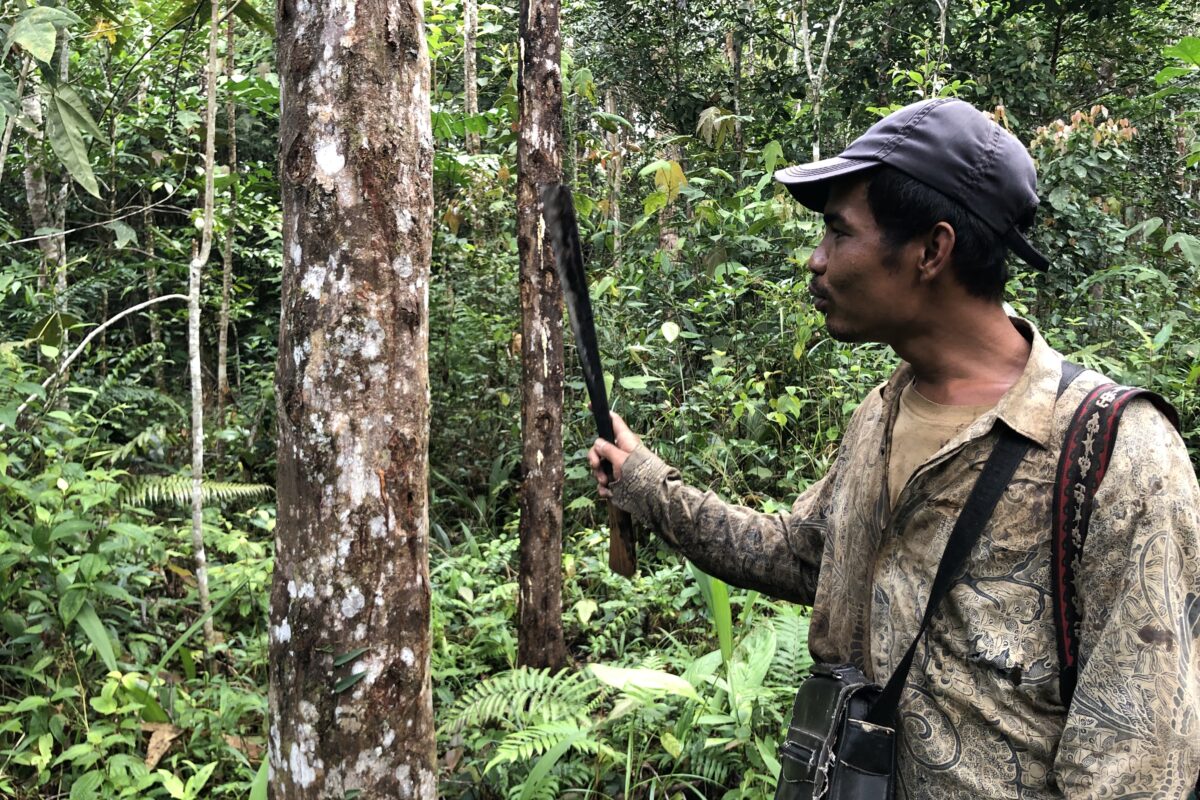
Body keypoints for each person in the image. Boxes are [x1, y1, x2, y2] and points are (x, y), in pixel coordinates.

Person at [587, 98, 1200, 799]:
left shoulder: (1119, 458)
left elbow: (1139, 766)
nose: (816, 262)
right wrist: (643, 480)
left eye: (838, 233)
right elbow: (803, 555)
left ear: (931, 251)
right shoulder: (880, 413)